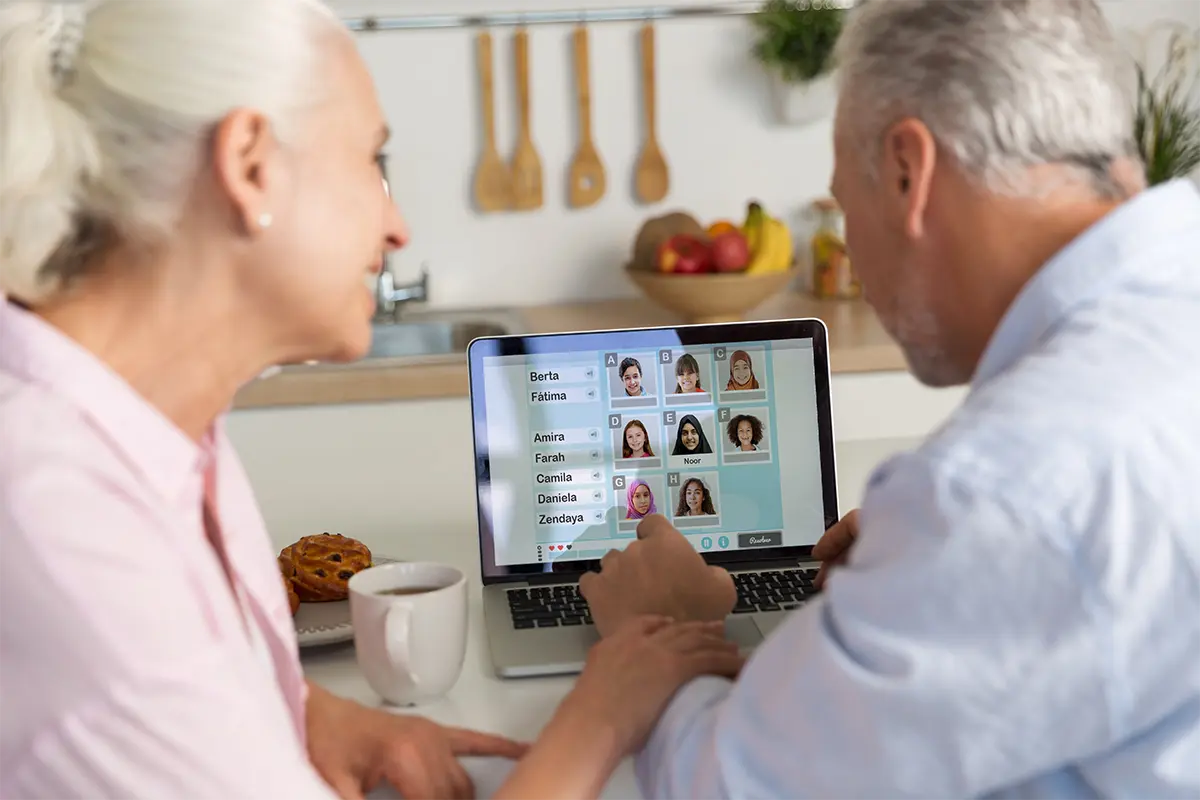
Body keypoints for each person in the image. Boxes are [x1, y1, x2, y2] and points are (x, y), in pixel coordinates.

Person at [0, 2, 740, 798]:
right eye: (370, 160)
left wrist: (300, 713)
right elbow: (116, 658)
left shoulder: (157, 427)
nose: (397, 228)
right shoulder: (58, 528)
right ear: (251, 166)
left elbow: (158, 676)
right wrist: (607, 708)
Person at [579, 0, 1200, 796]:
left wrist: (655, 628)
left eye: (844, 202)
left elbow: (729, 787)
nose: (856, 266)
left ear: (908, 173)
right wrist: (933, 568)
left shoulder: (1004, 489)